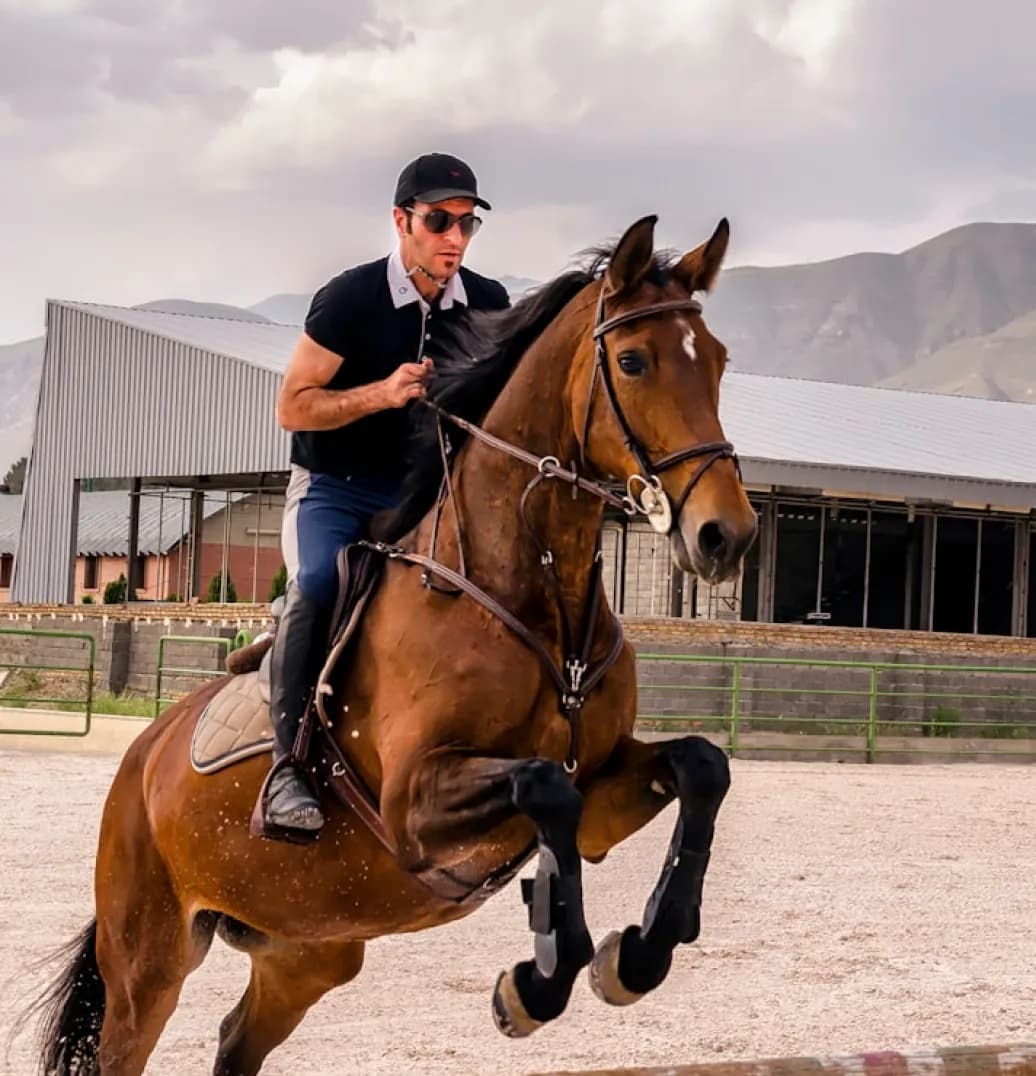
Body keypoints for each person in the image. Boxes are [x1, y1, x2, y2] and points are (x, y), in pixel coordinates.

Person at [260, 152, 511, 839]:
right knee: (315, 583)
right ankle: (286, 768)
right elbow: (293, 408)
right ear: (401, 222)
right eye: (438, 222)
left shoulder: (487, 306)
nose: (453, 238)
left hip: (425, 497)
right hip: (333, 490)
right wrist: (383, 394)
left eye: (466, 225)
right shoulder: (350, 300)